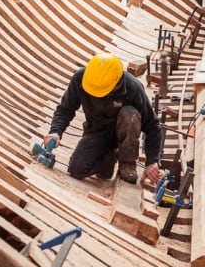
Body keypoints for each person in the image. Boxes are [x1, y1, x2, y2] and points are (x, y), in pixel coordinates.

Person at [43, 53, 161, 185]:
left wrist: (152, 161)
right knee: (77, 169)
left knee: (130, 114)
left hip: (124, 133)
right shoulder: (80, 78)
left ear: (116, 83)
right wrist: (55, 131)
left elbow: (153, 126)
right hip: (96, 131)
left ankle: (127, 163)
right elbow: (65, 109)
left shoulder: (132, 87)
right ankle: (108, 160)